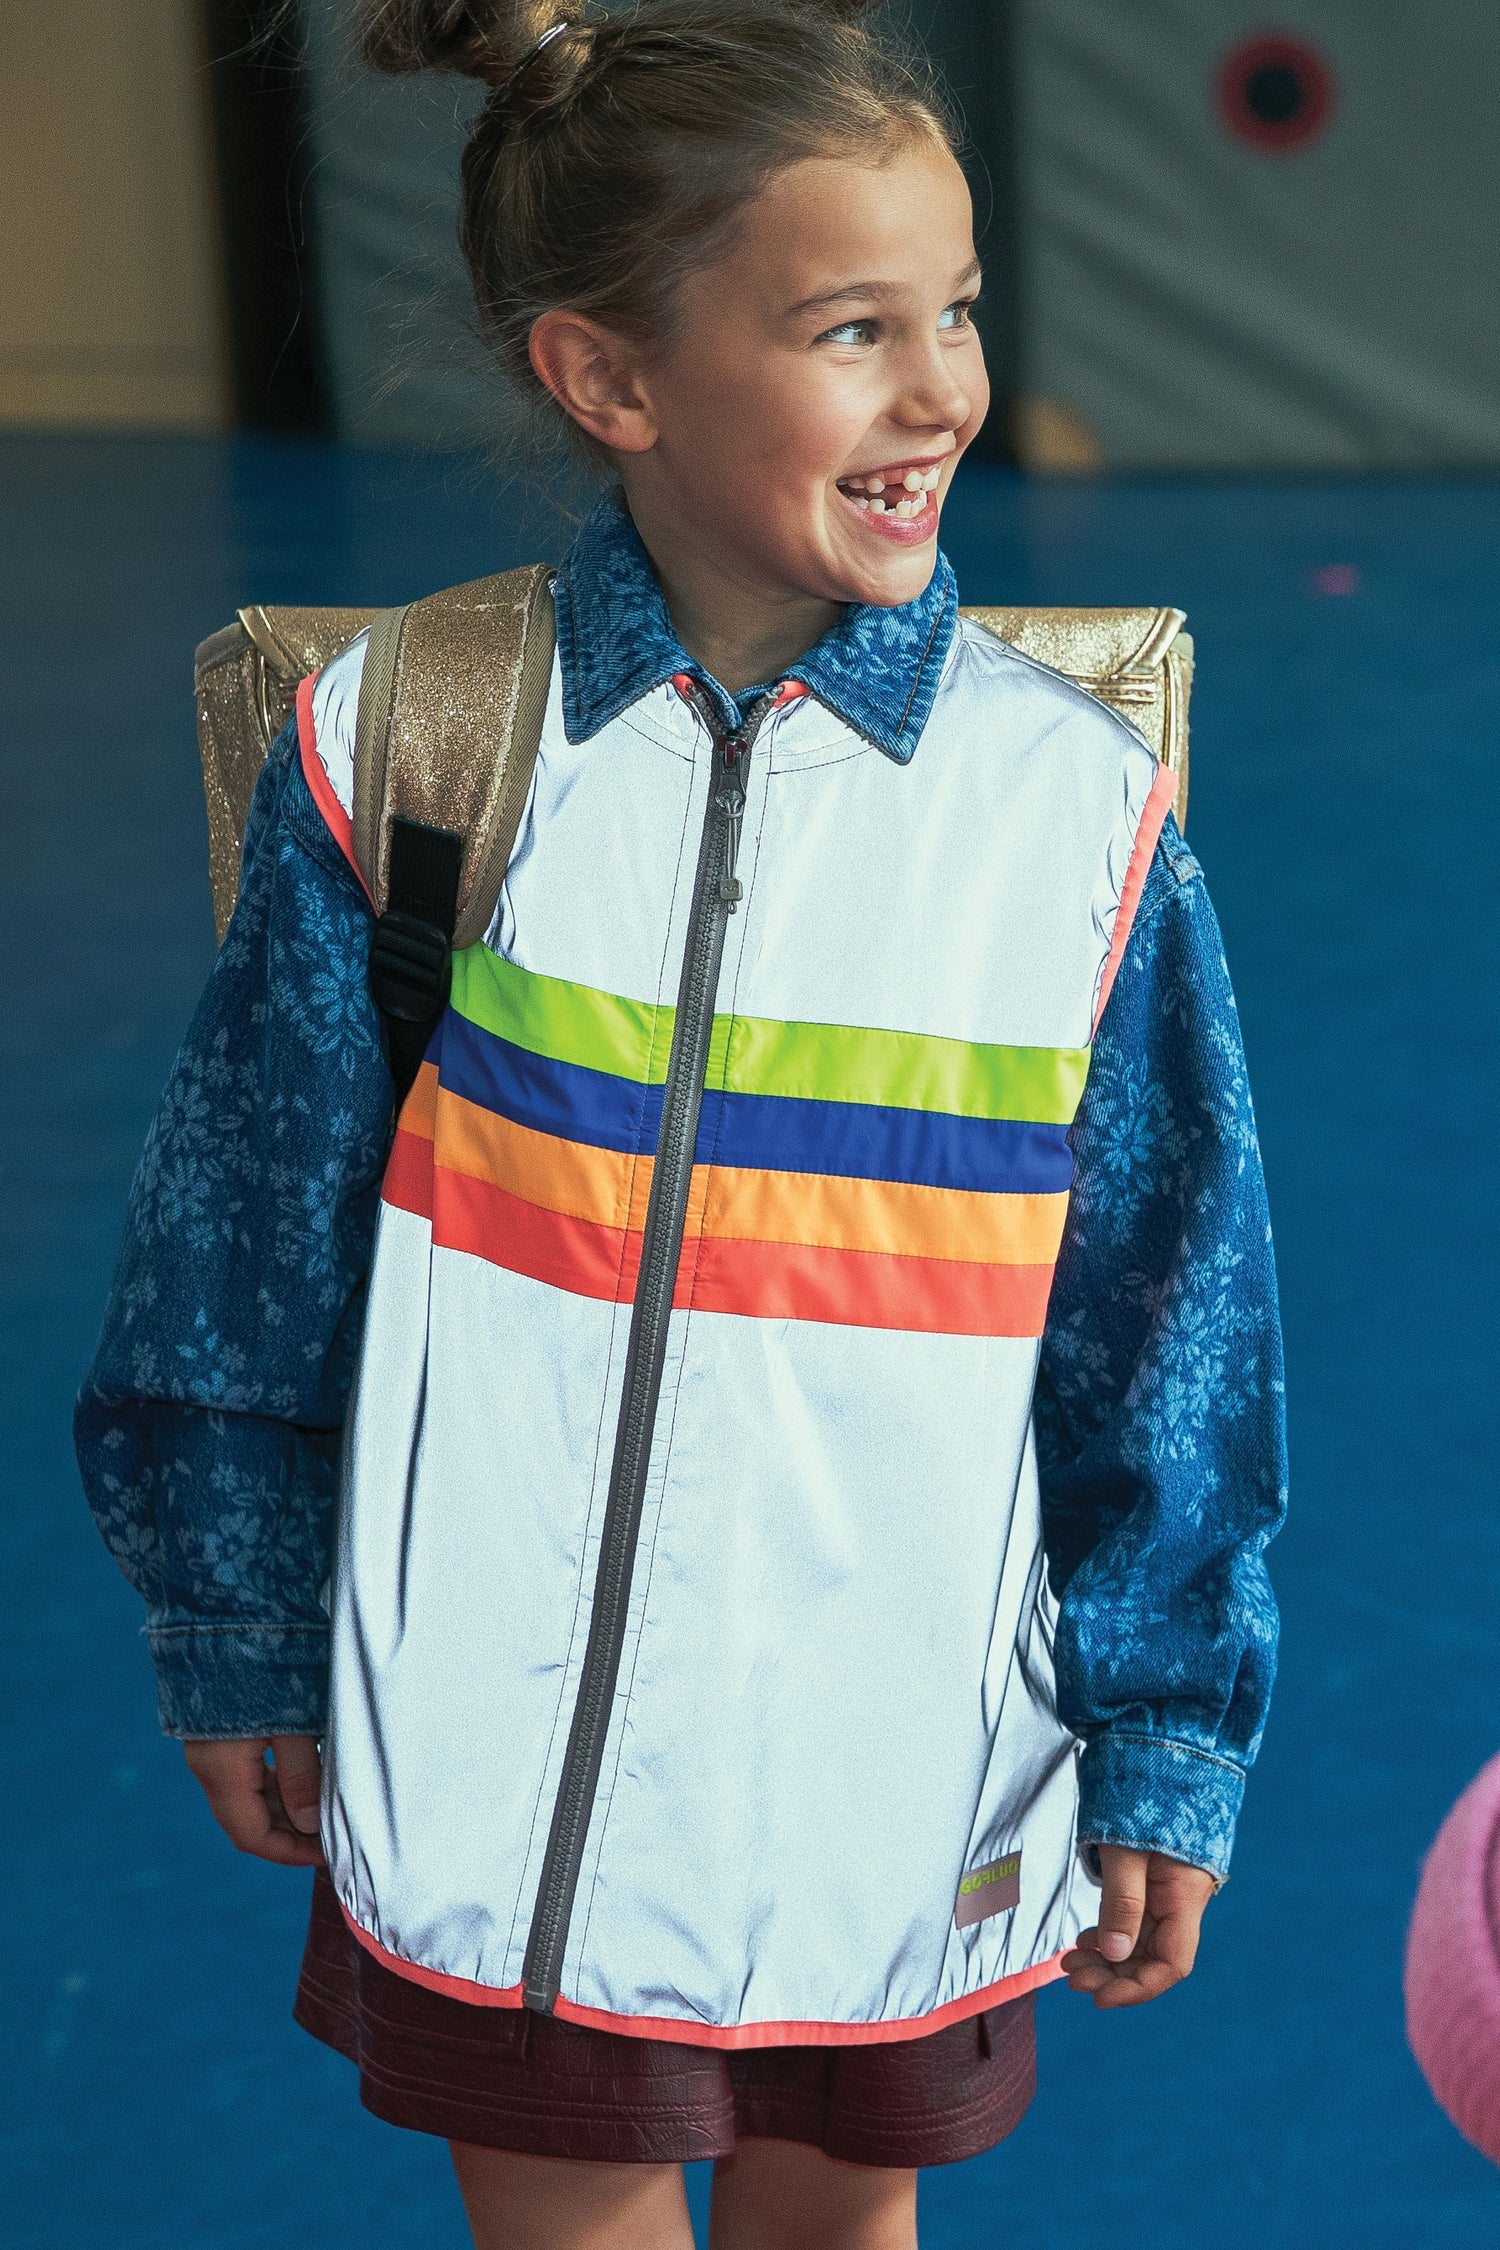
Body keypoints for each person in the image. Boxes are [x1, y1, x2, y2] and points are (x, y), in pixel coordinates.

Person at [74, 2, 1288, 2243]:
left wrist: (1169, 1728)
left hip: (901, 1767)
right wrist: (231, 1615)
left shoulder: (1072, 821)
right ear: (608, 380)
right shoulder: (420, 744)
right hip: (506, 1773)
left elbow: (1166, 1330)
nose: (942, 388)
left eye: (957, 312)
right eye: (852, 329)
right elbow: (241, 1252)